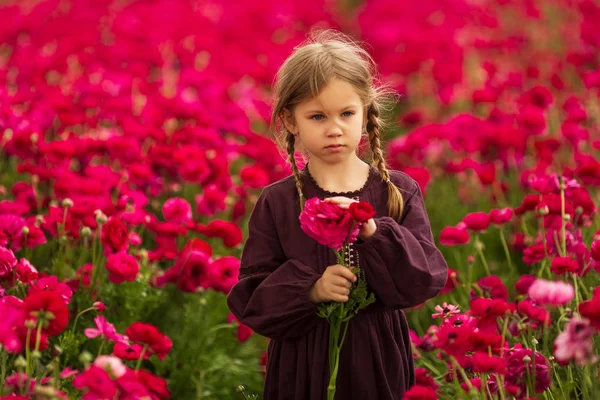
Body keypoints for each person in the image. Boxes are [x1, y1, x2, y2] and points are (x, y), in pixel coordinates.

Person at [226, 29, 448, 400]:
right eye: (317, 116)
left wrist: (376, 234)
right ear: (291, 121)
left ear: (365, 113)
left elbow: (423, 279)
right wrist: (310, 290)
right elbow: (251, 298)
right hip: (304, 363)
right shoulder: (277, 202)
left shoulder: (396, 191)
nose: (334, 129)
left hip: (377, 357)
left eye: (346, 113)